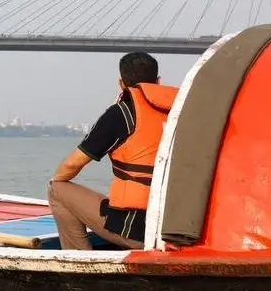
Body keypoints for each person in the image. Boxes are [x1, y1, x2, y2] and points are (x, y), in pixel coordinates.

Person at [48, 52, 179, 250]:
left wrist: (56, 178)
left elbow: (72, 164)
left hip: (137, 232)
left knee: (57, 189)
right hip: (177, 231)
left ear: (121, 84)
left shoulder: (122, 114)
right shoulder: (182, 114)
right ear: (159, 81)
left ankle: (80, 264)